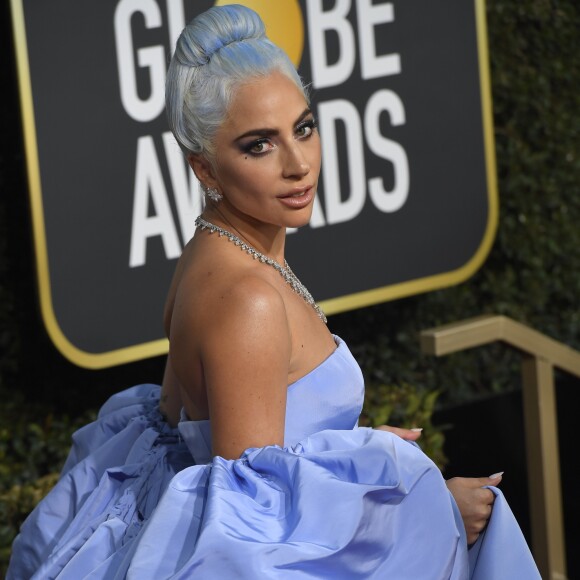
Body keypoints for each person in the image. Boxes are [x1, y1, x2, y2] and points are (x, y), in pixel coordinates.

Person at [8, 5, 539, 579]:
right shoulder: (247, 300)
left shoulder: (212, 251)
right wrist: (433, 509)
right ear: (205, 169)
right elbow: (255, 536)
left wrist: (355, 450)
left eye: (303, 128)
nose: (298, 164)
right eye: (259, 145)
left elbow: (194, 433)